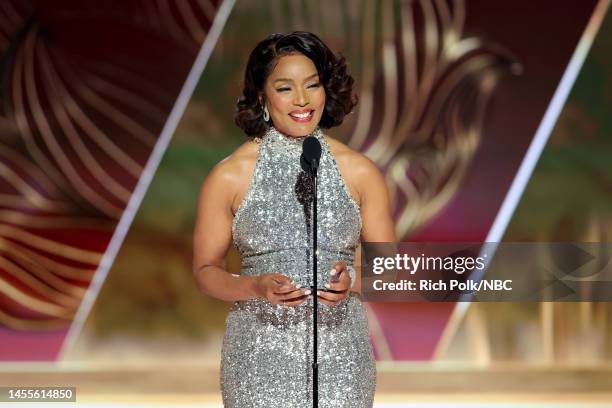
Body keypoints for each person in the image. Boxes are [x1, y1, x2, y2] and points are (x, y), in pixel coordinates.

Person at [192, 31, 395, 408]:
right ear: (261, 96)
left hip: (341, 362)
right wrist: (253, 287)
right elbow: (206, 271)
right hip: (257, 360)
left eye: (313, 85)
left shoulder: (360, 172)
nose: (302, 100)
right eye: (285, 88)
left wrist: (352, 280)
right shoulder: (229, 177)